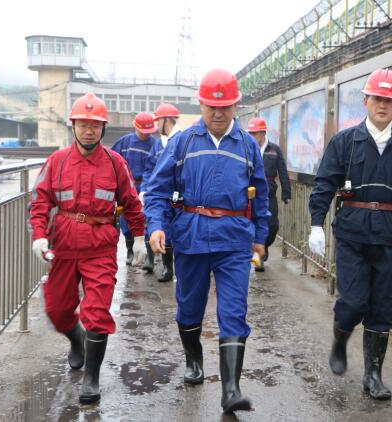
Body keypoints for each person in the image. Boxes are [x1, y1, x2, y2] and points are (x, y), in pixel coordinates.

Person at [143, 69, 269, 413]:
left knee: (234, 310)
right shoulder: (183, 142)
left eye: (225, 106)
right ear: (200, 105)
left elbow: (260, 196)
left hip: (234, 240)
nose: (218, 113)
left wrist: (260, 236)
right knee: (189, 307)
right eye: (212, 107)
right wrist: (157, 226)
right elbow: (157, 190)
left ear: (235, 105)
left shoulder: (247, 146)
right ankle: (194, 358)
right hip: (191, 237)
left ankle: (231, 391)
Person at [308, 68, 392, 400]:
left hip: (388, 237)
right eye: (377, 98)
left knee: (383, 307)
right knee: (352, 302)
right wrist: (316, 223)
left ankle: (373, 375)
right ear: (366, 100)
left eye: (389, 100)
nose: (382, 105)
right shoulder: (345, 142)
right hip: (352, 235)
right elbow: (324, 184)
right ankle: (340, 340)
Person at [29, 93, 146, 404]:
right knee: (57, 309)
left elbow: (132, 203)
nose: (89, 130)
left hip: (100, 249)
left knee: (96, 312)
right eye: (83, 124)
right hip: (64, 246)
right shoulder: (57, 161)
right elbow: (39, 202)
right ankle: (76, 340)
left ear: (103, 128)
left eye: (95, 125)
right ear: (73, 126)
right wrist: (39, 235)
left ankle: (91, 378)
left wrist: (140, 237)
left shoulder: (115, 163)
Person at [111, 112, 158, 271]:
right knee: (126, 219)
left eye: (148, 132)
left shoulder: (155, 144)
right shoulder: (125, 142)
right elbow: (112, 160)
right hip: (126, 186)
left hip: (146, 186)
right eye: (143, 131)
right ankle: (130, 251)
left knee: (147, 218)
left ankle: (148, 256)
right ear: (135, 127)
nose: (145, 135)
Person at [141, 103, 182, 280]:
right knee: (159, 227)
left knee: (173, 231)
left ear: (167, 120)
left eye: (158, 121)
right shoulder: (158, 145)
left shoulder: (181, 141)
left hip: (176, 197)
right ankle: (166, 267)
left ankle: (173, 268)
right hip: (159, 195)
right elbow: (149, 169)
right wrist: (144, 190)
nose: (156, 126)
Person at [246, 117, 291, 272]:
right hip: (250, 194)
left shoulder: (274, 150)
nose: (252, 136)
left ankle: (264, 247)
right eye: (250, 133)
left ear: (263, 133)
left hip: (269, 193)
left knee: (272, 226)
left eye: (255, 133)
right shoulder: (246, 148)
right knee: (252, 224)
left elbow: (282, 171)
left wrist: (286, 192)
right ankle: (257, 256)